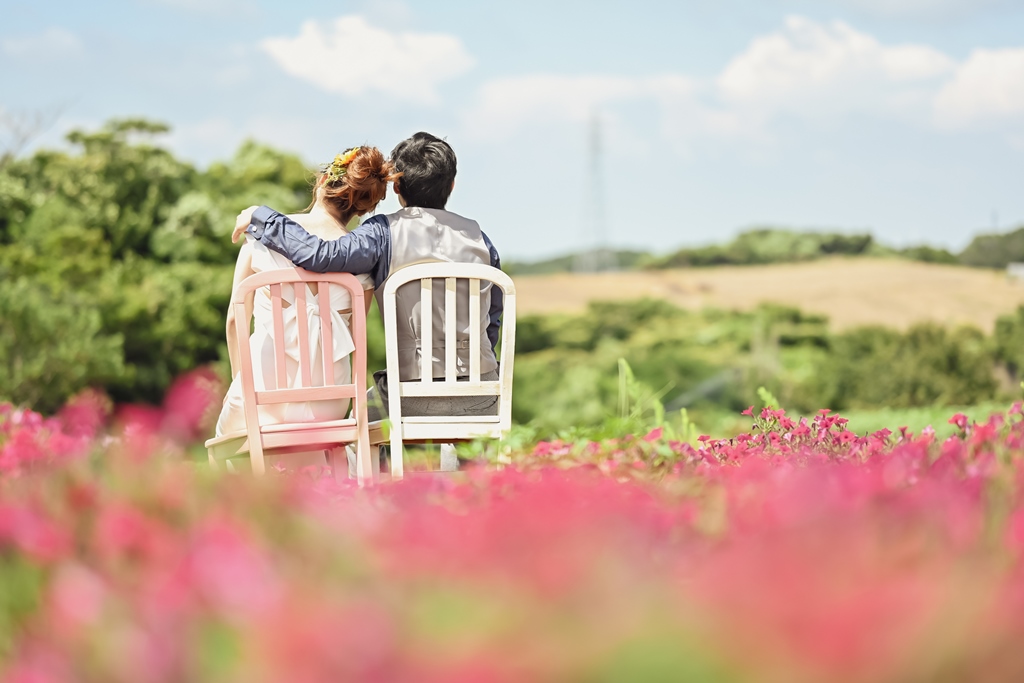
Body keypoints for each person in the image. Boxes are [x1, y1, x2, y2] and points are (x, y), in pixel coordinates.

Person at [232, 132, 503, 428]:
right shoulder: (482, 240)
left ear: (396, 185)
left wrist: (264, 218)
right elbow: (493, 319)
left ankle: (382, 472)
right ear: (451, 185)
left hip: (411, 396)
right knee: (459, 430)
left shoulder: (382, 232)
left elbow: (322, 254)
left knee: (355, 430)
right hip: (484, 393)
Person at [215, 146, 400, 462]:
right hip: (330, 404)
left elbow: (235, 320)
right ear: (363, 208)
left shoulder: (261, 236)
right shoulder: (362, 259)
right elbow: (355, 338)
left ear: (323, 181)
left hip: (261, 395)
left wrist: (241, 383)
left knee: (225, 443)